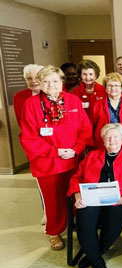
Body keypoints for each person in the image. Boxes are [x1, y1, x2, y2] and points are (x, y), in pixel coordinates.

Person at [19, 65, 92, 250]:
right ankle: (54, 231)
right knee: (53, 200)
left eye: (55, 81)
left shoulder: (73, 101)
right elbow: (28, 137)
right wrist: (55, 152)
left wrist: (76, 149)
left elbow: (85, 128)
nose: (51, 85)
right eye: (46, 81)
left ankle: (73, 223)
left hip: (73, 159)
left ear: (62, 82)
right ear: (40, 84)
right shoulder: (31, 104)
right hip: (47, 162)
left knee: (76, 194)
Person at [68, 123, 122, 268]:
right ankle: (98, 263)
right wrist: (78, 196)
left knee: (113, 224)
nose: (112, 140)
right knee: (84, 221)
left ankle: (92, 255)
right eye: (108, 137)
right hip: (92, 197)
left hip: (120, 198)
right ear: (103, 140)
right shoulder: (92, 155)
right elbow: (76, 177)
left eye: (116, 137)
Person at [92, 73, 122, 149]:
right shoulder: (96, 104)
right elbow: (91, 127)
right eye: (110, 85)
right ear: (105, 88)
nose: (113, 88)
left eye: (116, 85)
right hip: (103, 143)